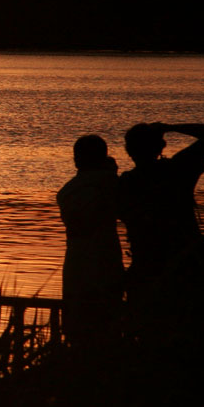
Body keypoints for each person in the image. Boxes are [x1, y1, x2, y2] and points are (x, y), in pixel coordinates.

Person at [118, 122, 204, 340]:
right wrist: (170, 126)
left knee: (147, 331)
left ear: (129, 151)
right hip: (187, 257)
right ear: (160, 146)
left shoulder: (125, 183)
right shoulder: (179, 169)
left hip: (146, 263)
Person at [56, 135, 124, 347]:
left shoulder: (67, 191)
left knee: (77, 326)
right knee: (107, 327)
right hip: (105, 263)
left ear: (77, 160)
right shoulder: (111, 184)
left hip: (76, 264)